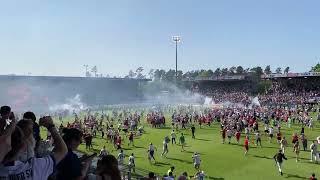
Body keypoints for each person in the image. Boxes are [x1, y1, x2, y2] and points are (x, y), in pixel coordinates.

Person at [0, 116, 68, 180]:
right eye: (29, 130)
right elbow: (63, 150)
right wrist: (51, 126)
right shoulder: (36, 166)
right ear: (23, 146)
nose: (31, 133)